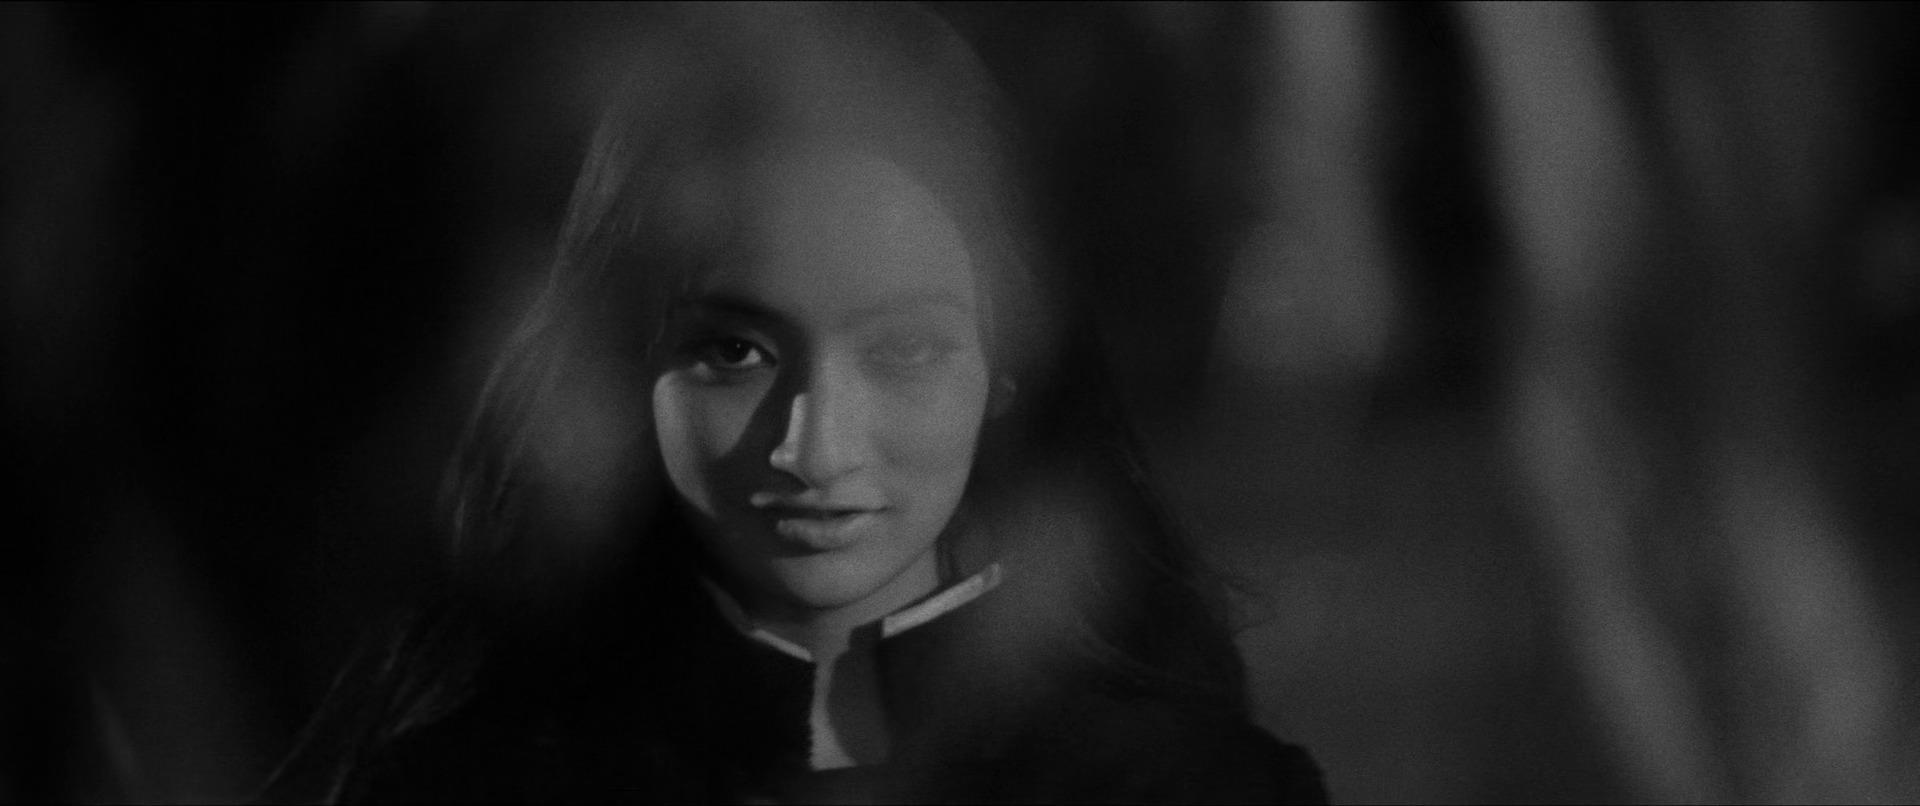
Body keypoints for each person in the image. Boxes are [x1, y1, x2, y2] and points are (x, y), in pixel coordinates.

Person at [264, 4, 1325, 803]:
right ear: (624, 364)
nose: (815, 448)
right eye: (733, 352)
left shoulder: (1192, 787)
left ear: (1013, 360)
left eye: (903, 350)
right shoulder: (468, 780)